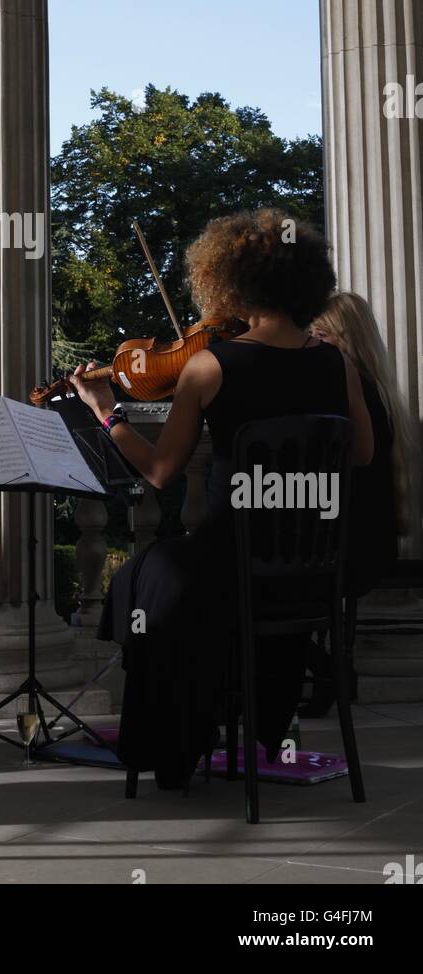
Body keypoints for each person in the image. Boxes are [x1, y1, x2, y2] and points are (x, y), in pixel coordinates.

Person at [71, 209, 373, 789]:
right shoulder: (338, 362)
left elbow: (161, 474)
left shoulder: (209, 366)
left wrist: (106, 411)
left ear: (227, 283)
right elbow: (360, 454)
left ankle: (176, 736)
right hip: (309, 573)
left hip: (227, 560)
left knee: (146, 574)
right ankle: (239, 712)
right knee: (167, 578)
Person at [311, 292, 416, 595]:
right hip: (375, 544)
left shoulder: (347, 388)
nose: (314, 345)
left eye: (321, 335)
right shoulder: (377, 389)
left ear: (348, 339)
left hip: (350, 549)